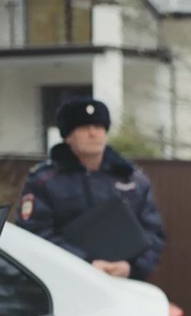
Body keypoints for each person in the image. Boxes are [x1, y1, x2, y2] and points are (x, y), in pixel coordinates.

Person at [15, 97, 165, 281]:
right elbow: (35, 235)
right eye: (84, 128)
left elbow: (153, 232)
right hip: (65, 284)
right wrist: (85, 263)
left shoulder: (133, 178)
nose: (93, 134)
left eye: (99, 127)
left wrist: (131, 267)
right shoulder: (43, 181)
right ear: (68, 136)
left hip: (123, 283)